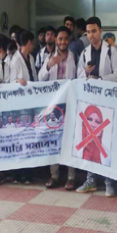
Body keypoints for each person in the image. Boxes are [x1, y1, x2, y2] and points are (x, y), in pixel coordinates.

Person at [76, 17, 117, 198]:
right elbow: (78, 76)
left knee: (106, 141)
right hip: (90, 104)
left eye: (94, 31)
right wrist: (86, 73)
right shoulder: (85, 53)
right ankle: (91, 180)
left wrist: (101, 80)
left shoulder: (111, 51)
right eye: (88, 32)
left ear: (100, 31)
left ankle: (109, 182)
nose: (91, 35)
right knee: (90, 141)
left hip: (107, 102)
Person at [39, 26, 78, 190]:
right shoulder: (48, 57)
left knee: (69, 139)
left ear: (69, 40)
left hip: (69, 102)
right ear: (56, 40)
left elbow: (77, 78)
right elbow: (40, 78)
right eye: (60, 39)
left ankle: (71, 177)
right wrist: (48, 65)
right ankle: (54, 176)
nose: (62, 42)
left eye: (65, 39)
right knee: (53, 139)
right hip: (53, 104)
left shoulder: (74, 57)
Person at [9, 30, 38, 184]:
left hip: (31, 102)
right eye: (32, 43)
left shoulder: (31, 58)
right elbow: (10, 82)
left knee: (29, 139)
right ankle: (17, 174)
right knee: (19, 139)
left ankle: (28, 173)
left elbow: (35, 78)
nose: (33, 46)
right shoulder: (15, 60)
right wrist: (17, 82)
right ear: (28, 43)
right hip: (19, 104)